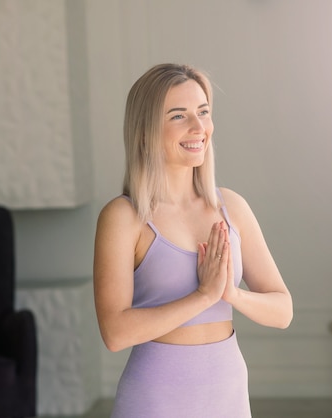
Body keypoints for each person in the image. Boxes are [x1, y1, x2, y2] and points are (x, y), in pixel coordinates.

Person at [93, 63, 293, 418]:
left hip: (227, 396)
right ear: (144, 131)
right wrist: (203, 296)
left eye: (203, 112)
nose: (199, 128)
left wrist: (231, 295)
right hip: (155, 402)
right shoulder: (124, 218)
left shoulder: (232, 207)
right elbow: (115, 333)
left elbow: (282, 310)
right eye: (179, 116)